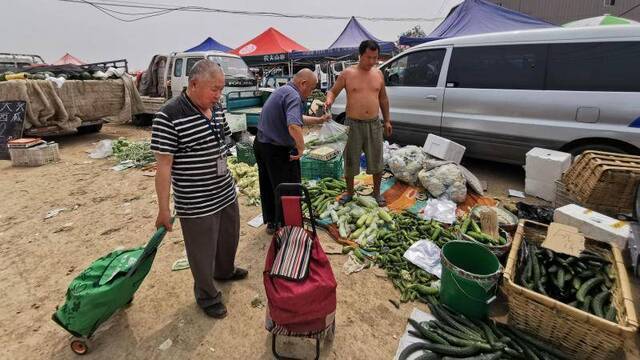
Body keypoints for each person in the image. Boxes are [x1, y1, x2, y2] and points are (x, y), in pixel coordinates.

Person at [151, 59, 247, 319]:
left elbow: (225, 138)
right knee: (202, 250)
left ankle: (224, 270)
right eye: (214, 89)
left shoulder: (215, 108)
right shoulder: (168, 115)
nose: (219, 95)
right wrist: (163, 208)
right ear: (193, 85)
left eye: (221, 89)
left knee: (229, 234)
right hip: (196, 198)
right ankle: (206, 295)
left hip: (223, 187)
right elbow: (163, 167)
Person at [253, 68, 331, 234]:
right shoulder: (294, 96)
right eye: (310, 89)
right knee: (288, 187)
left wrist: (319, 120)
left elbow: (296, 117)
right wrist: (301, 148)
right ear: (303, 84)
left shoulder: (283, 91)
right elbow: (294, 125)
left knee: (269, 185)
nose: (310, 94)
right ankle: (288, 225)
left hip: (262, 145)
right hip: (275, 149)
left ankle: (273, 222)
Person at [325, 40, 392, 206]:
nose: (372, 62)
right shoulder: (347, 74)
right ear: (360, 55)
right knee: (350, 161)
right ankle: (349, 193)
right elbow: (332, 92)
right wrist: (328, 101)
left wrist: (388, 120)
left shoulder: (378, 74)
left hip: (374, 124)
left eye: (375, 58)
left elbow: (383, 98)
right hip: (352, 124)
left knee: (376, 160)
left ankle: (376, 193)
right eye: (368, 57)